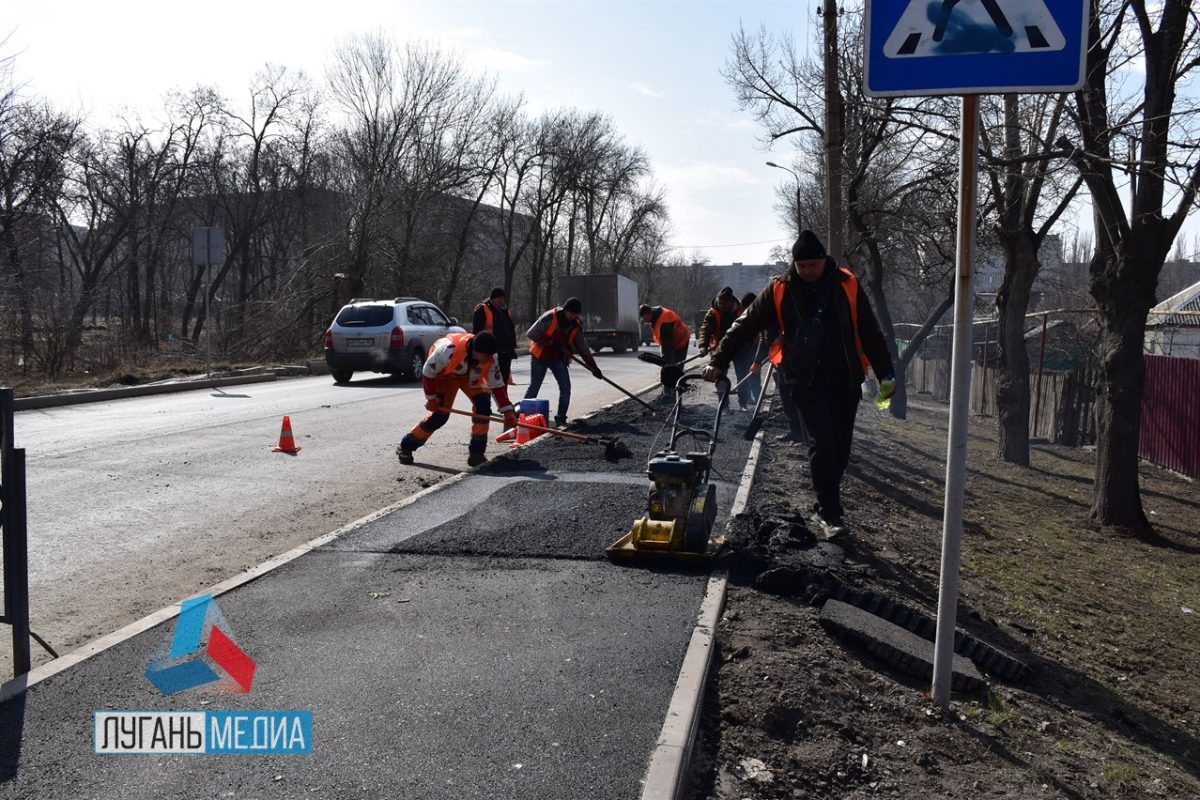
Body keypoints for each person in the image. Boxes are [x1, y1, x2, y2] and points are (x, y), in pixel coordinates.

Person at [702, 230, 896, 537]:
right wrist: (718, 360)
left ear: (823, 261)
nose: (806, 271)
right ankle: (831, 514)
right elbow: (745, 324)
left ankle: (825, 505)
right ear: (795, 263)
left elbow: (870, 331)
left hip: (846, 379)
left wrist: (886, 372)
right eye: (801, 265)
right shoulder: (780, 287)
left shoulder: (847, 284)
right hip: (805, 381)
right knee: (821, 444)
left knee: (841, 449)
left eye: (812, 265)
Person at [397, 331, 517, 468]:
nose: (490, 358)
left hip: (470, 376)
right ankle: (406, 446)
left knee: (483, 410)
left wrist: (508, 412)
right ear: (476, 351)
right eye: (487, 356)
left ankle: (476, 454)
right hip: (445, 376)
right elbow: (428, 372)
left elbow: (497, 386)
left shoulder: (490, 357)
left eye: (491, 355)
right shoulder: (448, 350)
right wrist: (431, 398)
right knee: (439, 416)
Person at [525, 296, 603, 428]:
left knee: (565, 387)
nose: (573, 316)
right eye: (571, 313)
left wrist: (594, 367)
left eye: (575, 314)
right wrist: (549, 342)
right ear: (565, 310)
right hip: (540, 356)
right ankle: (523, 416)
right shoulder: (550, 317)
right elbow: (531, 333)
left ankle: (561, 419)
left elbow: (583, 348)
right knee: (534, 386)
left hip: (557, 358)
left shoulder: (576, 325)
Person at [472, 287, 518, 384]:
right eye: (500, 298)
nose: (502, 300)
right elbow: (477, 331)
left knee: (503, 377)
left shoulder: (504, 310)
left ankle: (504, 397)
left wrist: (513, 343)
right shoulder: (483, 309)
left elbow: (510, 328)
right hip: (490, 350)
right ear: (493, 298)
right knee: (487, 378)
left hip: (505, 350)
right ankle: (486, 397)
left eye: (503, 298)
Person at [737, 291, 764, 408]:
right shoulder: (737, 314)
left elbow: (765, 334)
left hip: (755, 347)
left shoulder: (762, 312)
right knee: (742, 374)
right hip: (740, 348)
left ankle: (758, 401)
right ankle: (743, 402)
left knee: (755, 374)